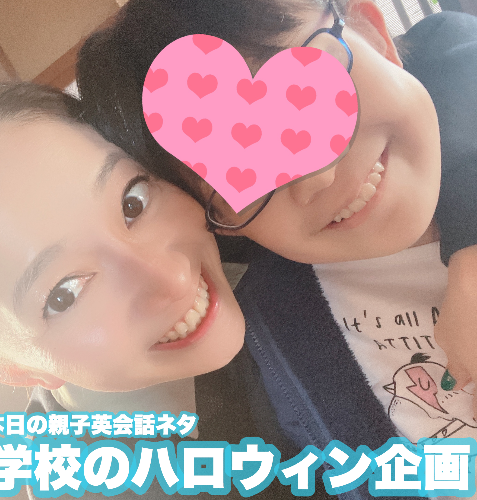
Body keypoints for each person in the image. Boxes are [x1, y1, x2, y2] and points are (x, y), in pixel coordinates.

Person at [76, 0, 477, 495]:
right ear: (219, 223)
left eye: (312, 95)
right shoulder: (268, 353)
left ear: (374, 33)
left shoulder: (455, 70)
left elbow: (452, 43)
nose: (317, 176)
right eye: (243, 174)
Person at [0, 82, 302, 499]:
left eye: (133, 202)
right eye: (64, 294)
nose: (174, 278)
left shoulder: (272, 233)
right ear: (14, 370)